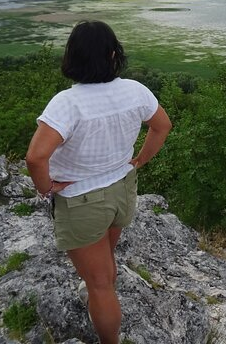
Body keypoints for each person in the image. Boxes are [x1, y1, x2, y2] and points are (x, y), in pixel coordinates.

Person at [26, 20, 172, 344]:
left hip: (82, 200)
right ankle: (95, 292)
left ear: (73, 57)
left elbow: (36, 157)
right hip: (122, 189)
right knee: (104, 266)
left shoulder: (68, 103)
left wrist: (45, 188)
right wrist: (139, 161)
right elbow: (162, 126)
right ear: (112, 54)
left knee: (101, 284)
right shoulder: (135, 90)